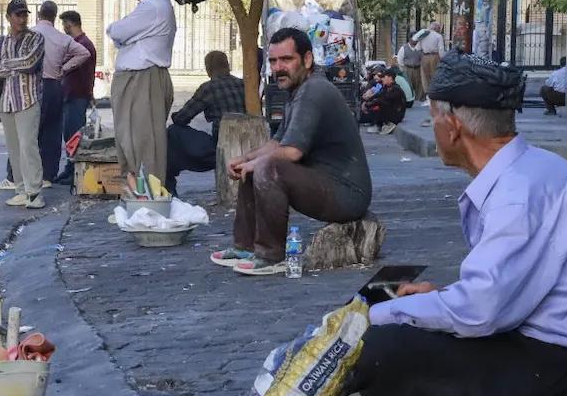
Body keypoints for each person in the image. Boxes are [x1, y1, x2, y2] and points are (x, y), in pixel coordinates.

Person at [346, 51, 567, 396]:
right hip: (531, 341)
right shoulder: (531, 170)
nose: (432, 127)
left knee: (382, 347)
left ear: (452, 126)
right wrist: (440, 296)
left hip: (554, 361)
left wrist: (382, 314)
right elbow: (509, 288)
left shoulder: (518, 192)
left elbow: (481, 311)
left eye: (432, 118)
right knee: (404, 332)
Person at [210, 28, 372, 276]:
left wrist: (257, 164)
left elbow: (292, 152)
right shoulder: (298, 91)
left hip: (348, 194)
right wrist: (244, 160)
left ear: (307, 60)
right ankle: (244, 247)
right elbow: (276, 144)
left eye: (286, 60)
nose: (278, 68)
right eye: (273, 61)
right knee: (258, 166)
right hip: (327, 182)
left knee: (267, 168)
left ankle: (271, 256)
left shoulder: (314, 91)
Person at [107, 0, 177, 182]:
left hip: (142, 79)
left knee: (143, 143)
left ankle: (147, 200)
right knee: (130, 140)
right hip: (138, 78)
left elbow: (118, 31)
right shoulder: (154, 6)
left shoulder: (153, 6)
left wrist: (120, 34)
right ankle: (138, 197)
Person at [0, 0, 47, 209]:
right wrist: (13, 66)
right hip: (6, 102)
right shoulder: (1, 42)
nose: (22, 19)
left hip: (28, 99)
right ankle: (21, 190)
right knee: (14, 149)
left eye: (24, 15)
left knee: (28, 146)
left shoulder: (36, 38)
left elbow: (30, 62)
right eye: (17, 15)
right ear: (8, 17)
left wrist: (6, 65)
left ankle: (35, 192)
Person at [165, 51, 246, 195]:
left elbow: (182, 118)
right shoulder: (242, 84)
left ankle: (169, 186)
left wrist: (173, 115)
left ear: (208, 70)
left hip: (220, 147)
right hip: (246, 145)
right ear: (228, 65)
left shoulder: (209, 88)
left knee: (173, 132)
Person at [32, 0, 91, 186]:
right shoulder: (63, 39)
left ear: (39, 14)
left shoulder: (30, 34)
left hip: (37, 85)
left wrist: (63, 69)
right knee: (53, 133)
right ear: (54, 17)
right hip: (56, 88)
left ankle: (22, 175)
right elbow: (84, 55)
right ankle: (49, 175)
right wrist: (62, 69)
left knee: (30, 133)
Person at [54, 10, 98, 184]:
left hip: (76, 96)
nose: (63, 28)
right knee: (70, 135)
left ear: (69, 24)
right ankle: (69, 169)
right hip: (74, 95)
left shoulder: (82, 45)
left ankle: (74, 173)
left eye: (64, 24)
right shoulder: (81, 43)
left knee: (74, 136)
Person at [358, 68, 406, 135]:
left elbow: (383, 99)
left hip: (396, 116)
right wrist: (367, 100)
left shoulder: (396, 89)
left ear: (390, 77)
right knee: (375, 102)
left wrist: (367, 105)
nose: (382, 79)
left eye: (384, 77)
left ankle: (388, 124)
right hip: (390, 111)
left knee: (379, 103)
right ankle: (378, 124)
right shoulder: (387, 87)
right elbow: (378, 95)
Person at [418, 22, 447, 104]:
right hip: (435, 56)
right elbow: (441, 49)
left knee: (425, 76)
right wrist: (443, 59)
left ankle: (428, 97)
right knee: (435, 75)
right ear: (437, 28)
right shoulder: (438, 36)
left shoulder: (423, 35)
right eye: (439, 28)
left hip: (425, 56)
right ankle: (435, 96)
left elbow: (418, 47)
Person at [396, 33, 424, 100]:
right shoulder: (404, 48)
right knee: (408, 85)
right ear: (410, 38)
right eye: (414, 38)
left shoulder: (421, 48)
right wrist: (403, 68)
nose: (416, 40)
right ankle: (409, 99)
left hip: (418, 69)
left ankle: (418, 100)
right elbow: (400, 60)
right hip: (407, 69)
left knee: (419, 86)